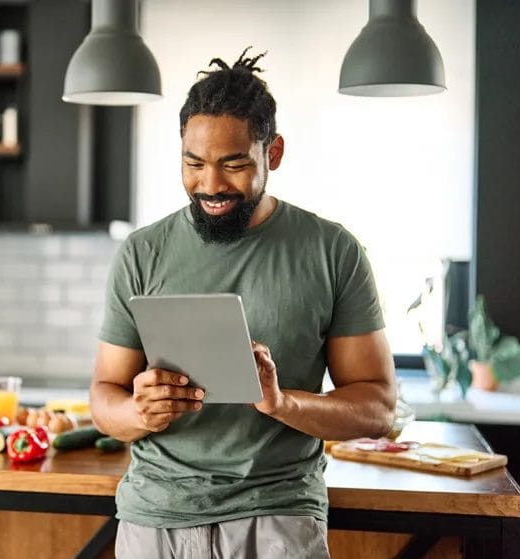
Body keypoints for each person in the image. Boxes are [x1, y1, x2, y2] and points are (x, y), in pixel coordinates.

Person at [90, 48, 396, 559]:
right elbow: (105, 398)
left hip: (278, 516)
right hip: (156, 516)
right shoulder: (143, 253)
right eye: (194, 163)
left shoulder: (332, 251)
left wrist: (282, 403)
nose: (210, 185)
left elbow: (377, 407)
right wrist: (141, 411)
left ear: (272, 153)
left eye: (233, 165)